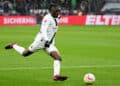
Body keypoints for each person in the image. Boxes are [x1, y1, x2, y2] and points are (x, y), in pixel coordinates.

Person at [5, 4, 68, 81]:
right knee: (25, 53)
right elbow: (43, 30)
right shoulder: (47, 19)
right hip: (41, 41)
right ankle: (14, 45)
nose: (58, 12)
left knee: (57, 57)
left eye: (58, 10)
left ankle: (56, 76)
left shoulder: (58, 16)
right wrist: (47, 40)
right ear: (51, 11)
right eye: (56, 11)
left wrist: (49, 42)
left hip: (49, 43)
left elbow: (57, 19)